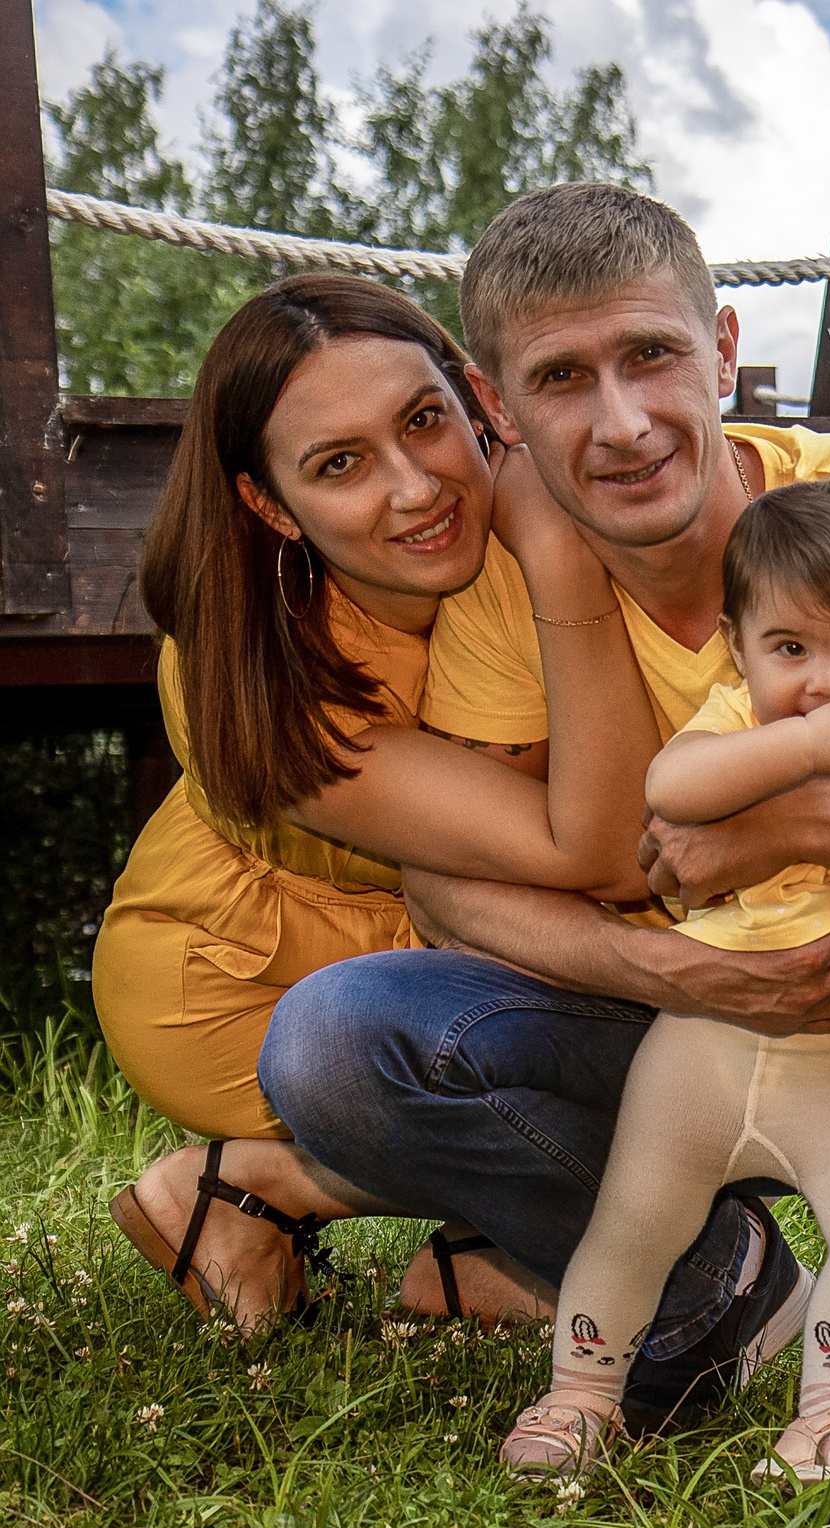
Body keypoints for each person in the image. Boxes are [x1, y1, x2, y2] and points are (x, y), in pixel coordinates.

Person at [260, 183, 830, 1443]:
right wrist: (669, 964)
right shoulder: (502, 596)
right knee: (333, 1043)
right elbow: (449, 888)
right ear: (496, 403)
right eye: (563, 378)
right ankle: (712, 1291)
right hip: (669, 1042)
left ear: (723, 348)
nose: (622, 423)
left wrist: (791, 827)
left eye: (652, 356)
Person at [93, 272, 660, 1329]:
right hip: (249, 985)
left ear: (479, 401)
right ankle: (255, 1184)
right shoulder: (250, 670)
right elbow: (607, 855)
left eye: (423, 421)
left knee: (682, 1017)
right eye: (341, 464)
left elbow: (780, 472)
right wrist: (548, 548)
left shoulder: (560, 475)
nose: (416, 488)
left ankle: (486, 1253)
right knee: (676, 1056)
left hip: (442, 938)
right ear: (269, 502)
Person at [504, 478, 830, 1483]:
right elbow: (671, 788)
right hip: (694, 1060)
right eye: (790, 649)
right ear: (738, 646)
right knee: (634, 1221)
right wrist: (800, 748)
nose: (826, 681)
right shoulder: (732, 722)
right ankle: (580, 1395)